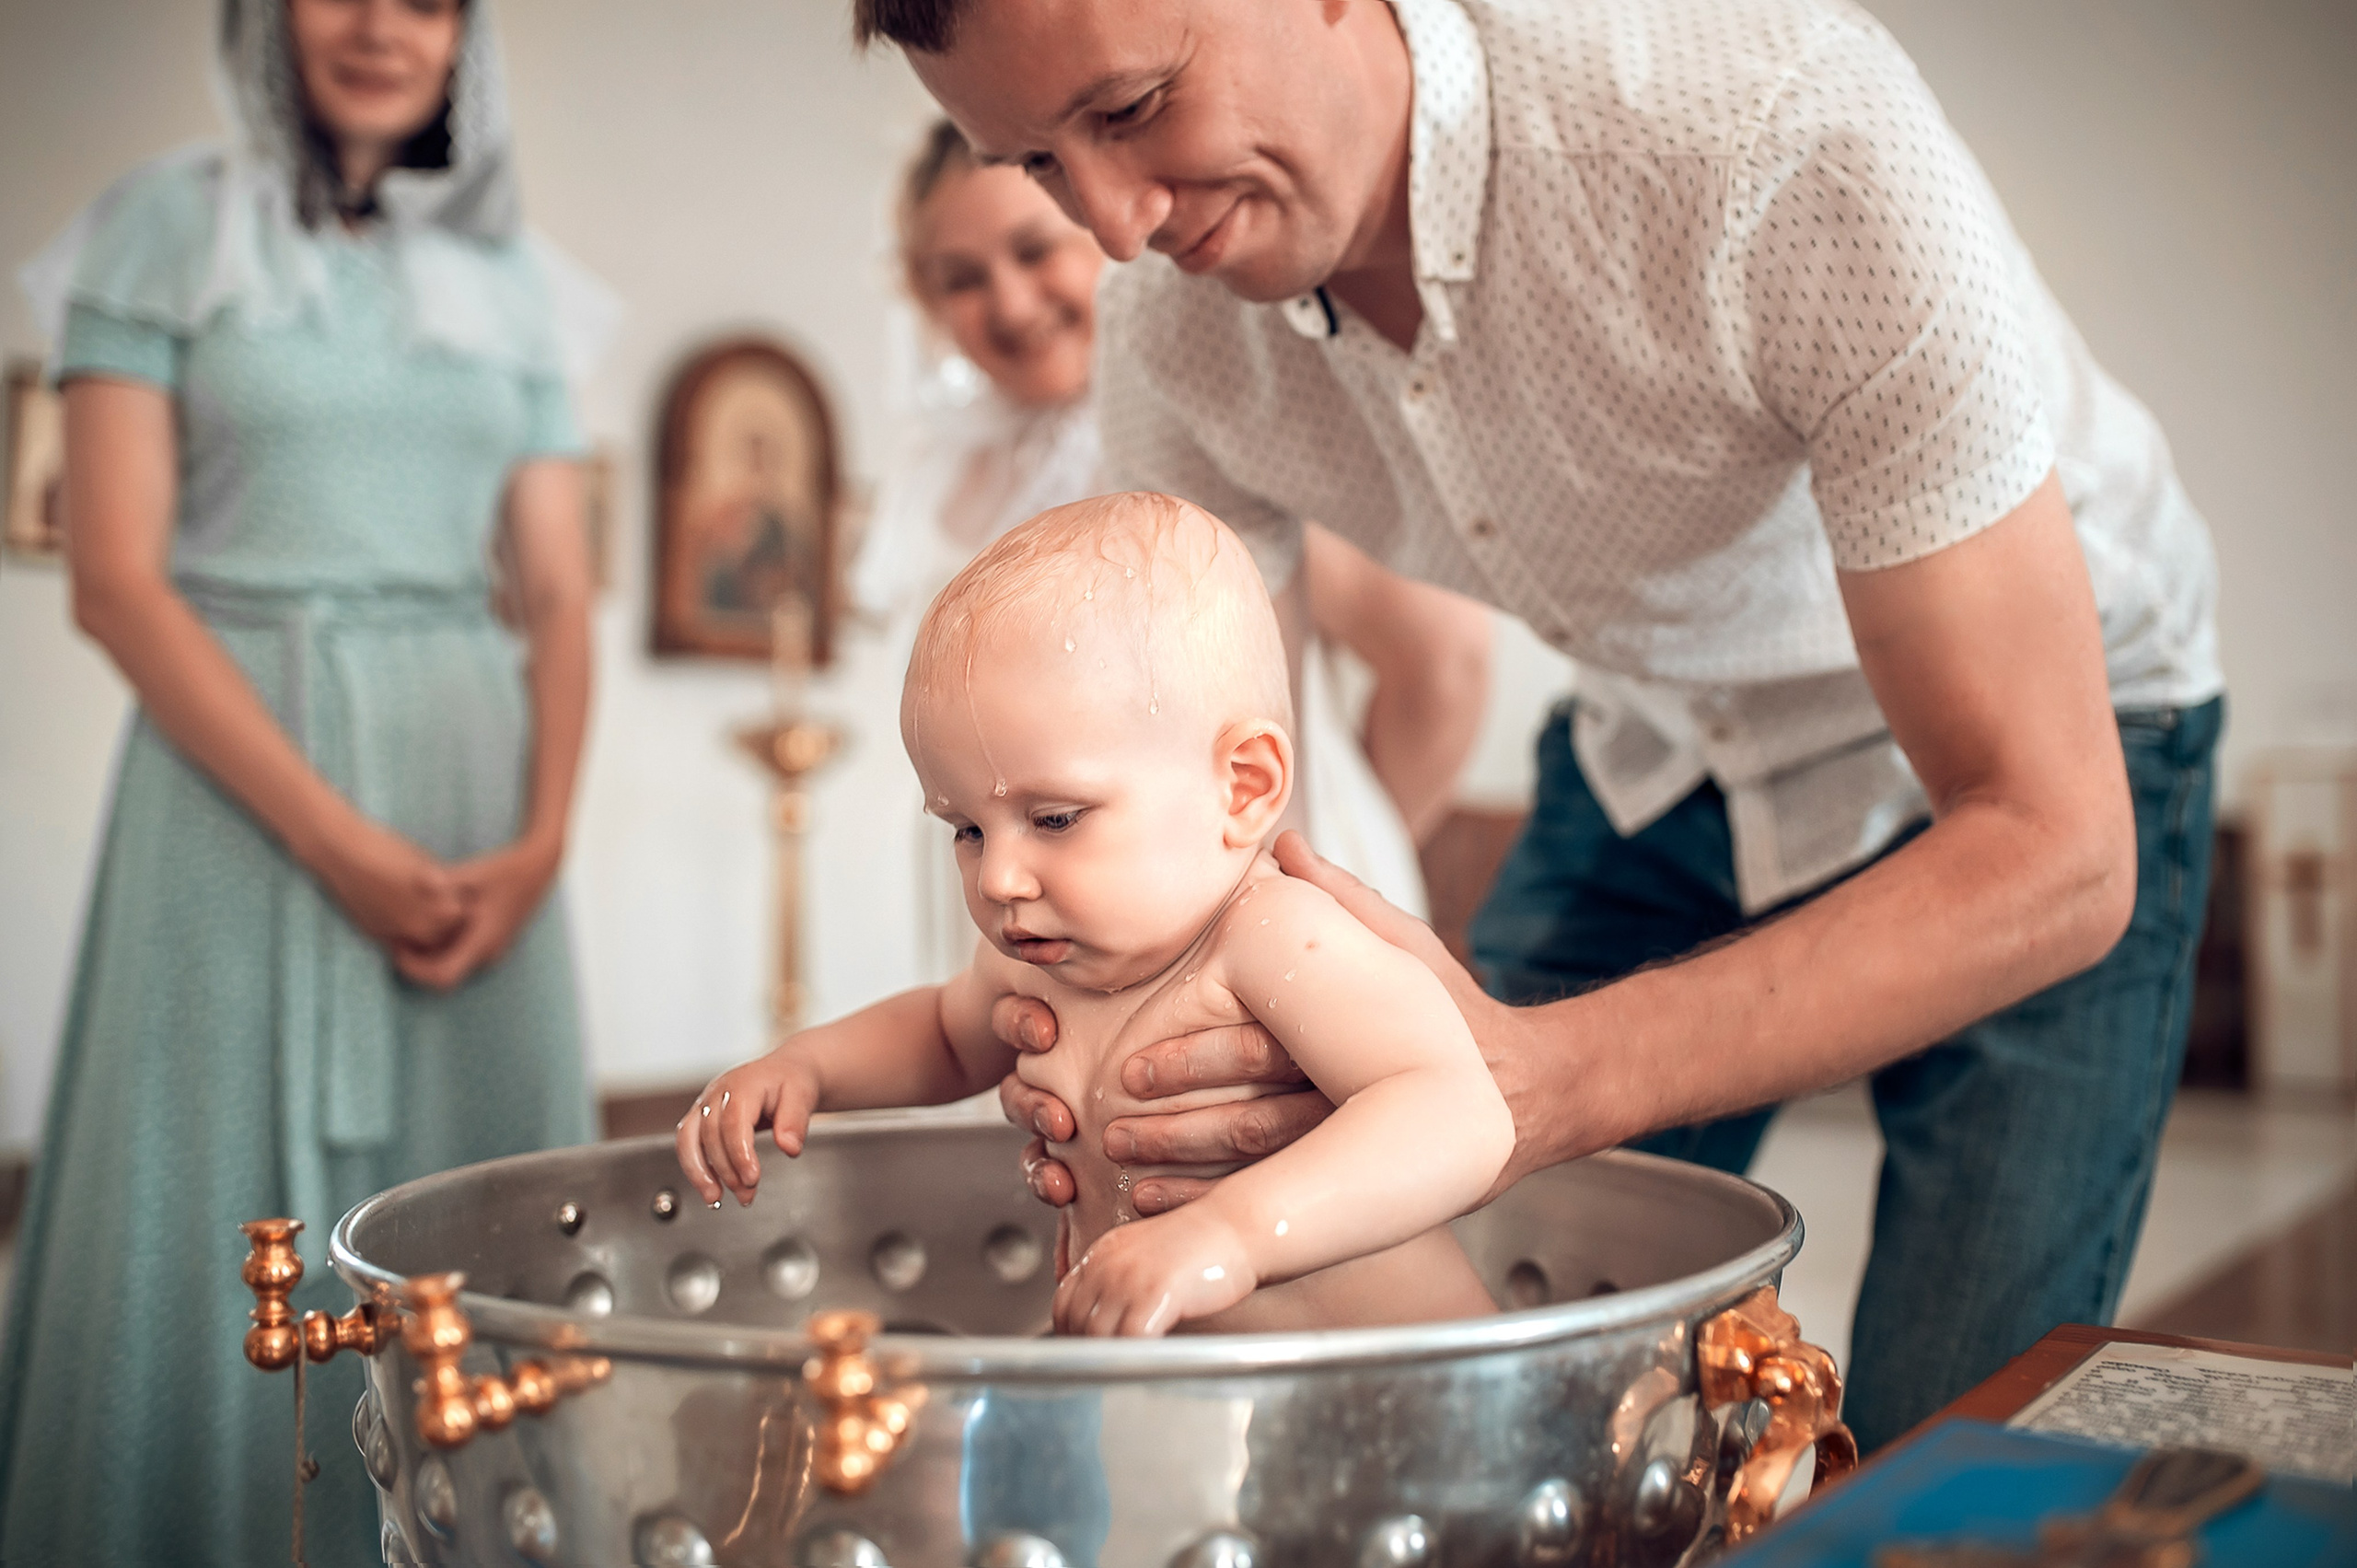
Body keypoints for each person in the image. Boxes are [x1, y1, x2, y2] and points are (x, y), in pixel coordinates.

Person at [861, 0, 2223, 1449]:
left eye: (1133, 108)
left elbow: (2057, 850)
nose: (1117, 227)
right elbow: (1210, 827)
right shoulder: (1173, 330)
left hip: (2050, 757)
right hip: (1657, 735)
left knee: (1935, 1444)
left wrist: (1560, 1071)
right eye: (1040, 167)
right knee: (1501, 1369)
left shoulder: (1780, 127)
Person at [0, 1, 601, 1560]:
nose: (378, 25)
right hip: (236, 803)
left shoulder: (513, 285)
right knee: (209, 1208)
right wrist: (336, 842)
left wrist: (538, 843)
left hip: (475, 790)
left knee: (475, 1200)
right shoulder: (157, 228)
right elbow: (116, 581)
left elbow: (557, 590)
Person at [682, 494, 1513, 1334]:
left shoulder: (1271, 937)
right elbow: (940, 1033)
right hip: (1188, 1411)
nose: (1000, 876)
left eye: (1054, 819)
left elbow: (1457, 1111)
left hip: (1396, 1403)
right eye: (967, 828)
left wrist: (1233, 1232)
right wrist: (808, 1067)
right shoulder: (1037, 959)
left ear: (1244, 786)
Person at [853, 119, 1492, 982]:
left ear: (1109, 236)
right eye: (961, 279)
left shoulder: (1209, 423)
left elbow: (1441, 666)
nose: (1007, 303)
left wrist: (1300, 863)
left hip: (1244, 903)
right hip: (1015, 902)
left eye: (1034, 251)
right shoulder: (943, 473)